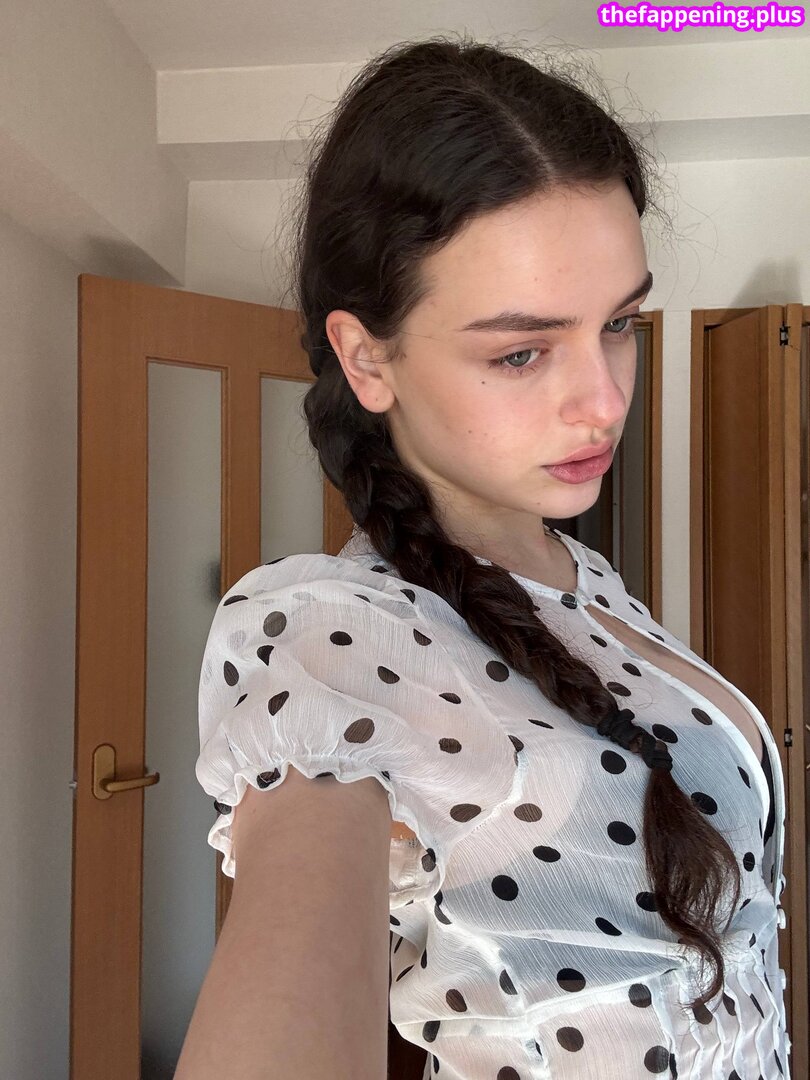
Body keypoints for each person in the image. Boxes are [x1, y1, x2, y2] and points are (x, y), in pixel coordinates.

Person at [184, 34, 790, 1080]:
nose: (603, 400)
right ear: (366, 357)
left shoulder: (583, 585)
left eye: (620, 323)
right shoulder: (338, 636)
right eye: (520, 351)